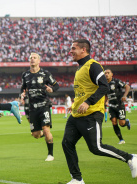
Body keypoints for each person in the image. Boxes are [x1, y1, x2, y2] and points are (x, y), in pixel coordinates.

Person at [62, 39, 137, 184]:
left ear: (83, 50)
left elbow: (104, 87)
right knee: (67, 143)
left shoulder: (93, 66)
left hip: (91, 114)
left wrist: (88, 102)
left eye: (73, 48)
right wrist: (76, 104)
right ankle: (77, 179)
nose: (70, 51)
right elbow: (83, 92)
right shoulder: (79, 68)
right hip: (76, 115)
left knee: (96, 148)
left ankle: (131, 158)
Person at [21, 52, 59, 162]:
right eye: (30, 58)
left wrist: (52, 89)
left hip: (44, 105)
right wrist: (22, 95)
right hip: (32, 108)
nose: (32, 59)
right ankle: (44, 134)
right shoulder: (25, 75)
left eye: (34, 57)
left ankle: (50, 154)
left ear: (39, 61)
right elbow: (23, 88)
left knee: (46, 129)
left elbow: (56, 85)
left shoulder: (45, 73)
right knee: (36, 135)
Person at [104, 69, 131, 144]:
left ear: (111, 74)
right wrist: (104, 104)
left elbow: (127, 87)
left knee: (121, 124)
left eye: (108, 73)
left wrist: (125, 96)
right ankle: (121, 139)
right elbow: (106, 96)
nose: (106, 74)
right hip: (111, 106)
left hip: (119, 105)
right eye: (105, 73)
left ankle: (127, 122)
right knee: (114, 122)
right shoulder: (104, 84)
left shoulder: (116, 81)